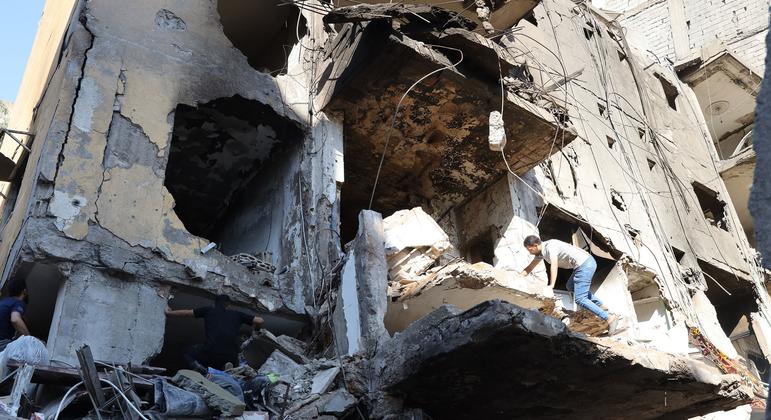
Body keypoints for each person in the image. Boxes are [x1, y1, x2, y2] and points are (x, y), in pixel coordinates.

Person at [520, 235, 620, 331]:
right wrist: (518, 277)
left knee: (580, 299)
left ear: (535, 245)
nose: (530, 253)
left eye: (530, 250)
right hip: (582, 265)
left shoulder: (550, 246)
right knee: (570, 286)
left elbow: (554, 265)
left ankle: (609, 318)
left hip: (585, 264)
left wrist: (552, 285)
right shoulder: (540, 254)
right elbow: (530, 267)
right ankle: (599, 304)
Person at [165, 294, 264, 373]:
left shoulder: (208, 310)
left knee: (186, 351)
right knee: (233, 357)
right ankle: (227, 368)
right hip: (231, 355)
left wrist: (170, 313)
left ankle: (202, 369)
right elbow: (259, 320)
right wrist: (255, 331)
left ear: (215, 304)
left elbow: (186, 313)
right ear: (228, 305)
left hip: (210, 351)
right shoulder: (237, 314)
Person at [0, 278, 30, 349]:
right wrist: (29, 340)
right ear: (24, 291)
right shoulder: (18, 302)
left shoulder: (3, 301)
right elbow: (15, 319)